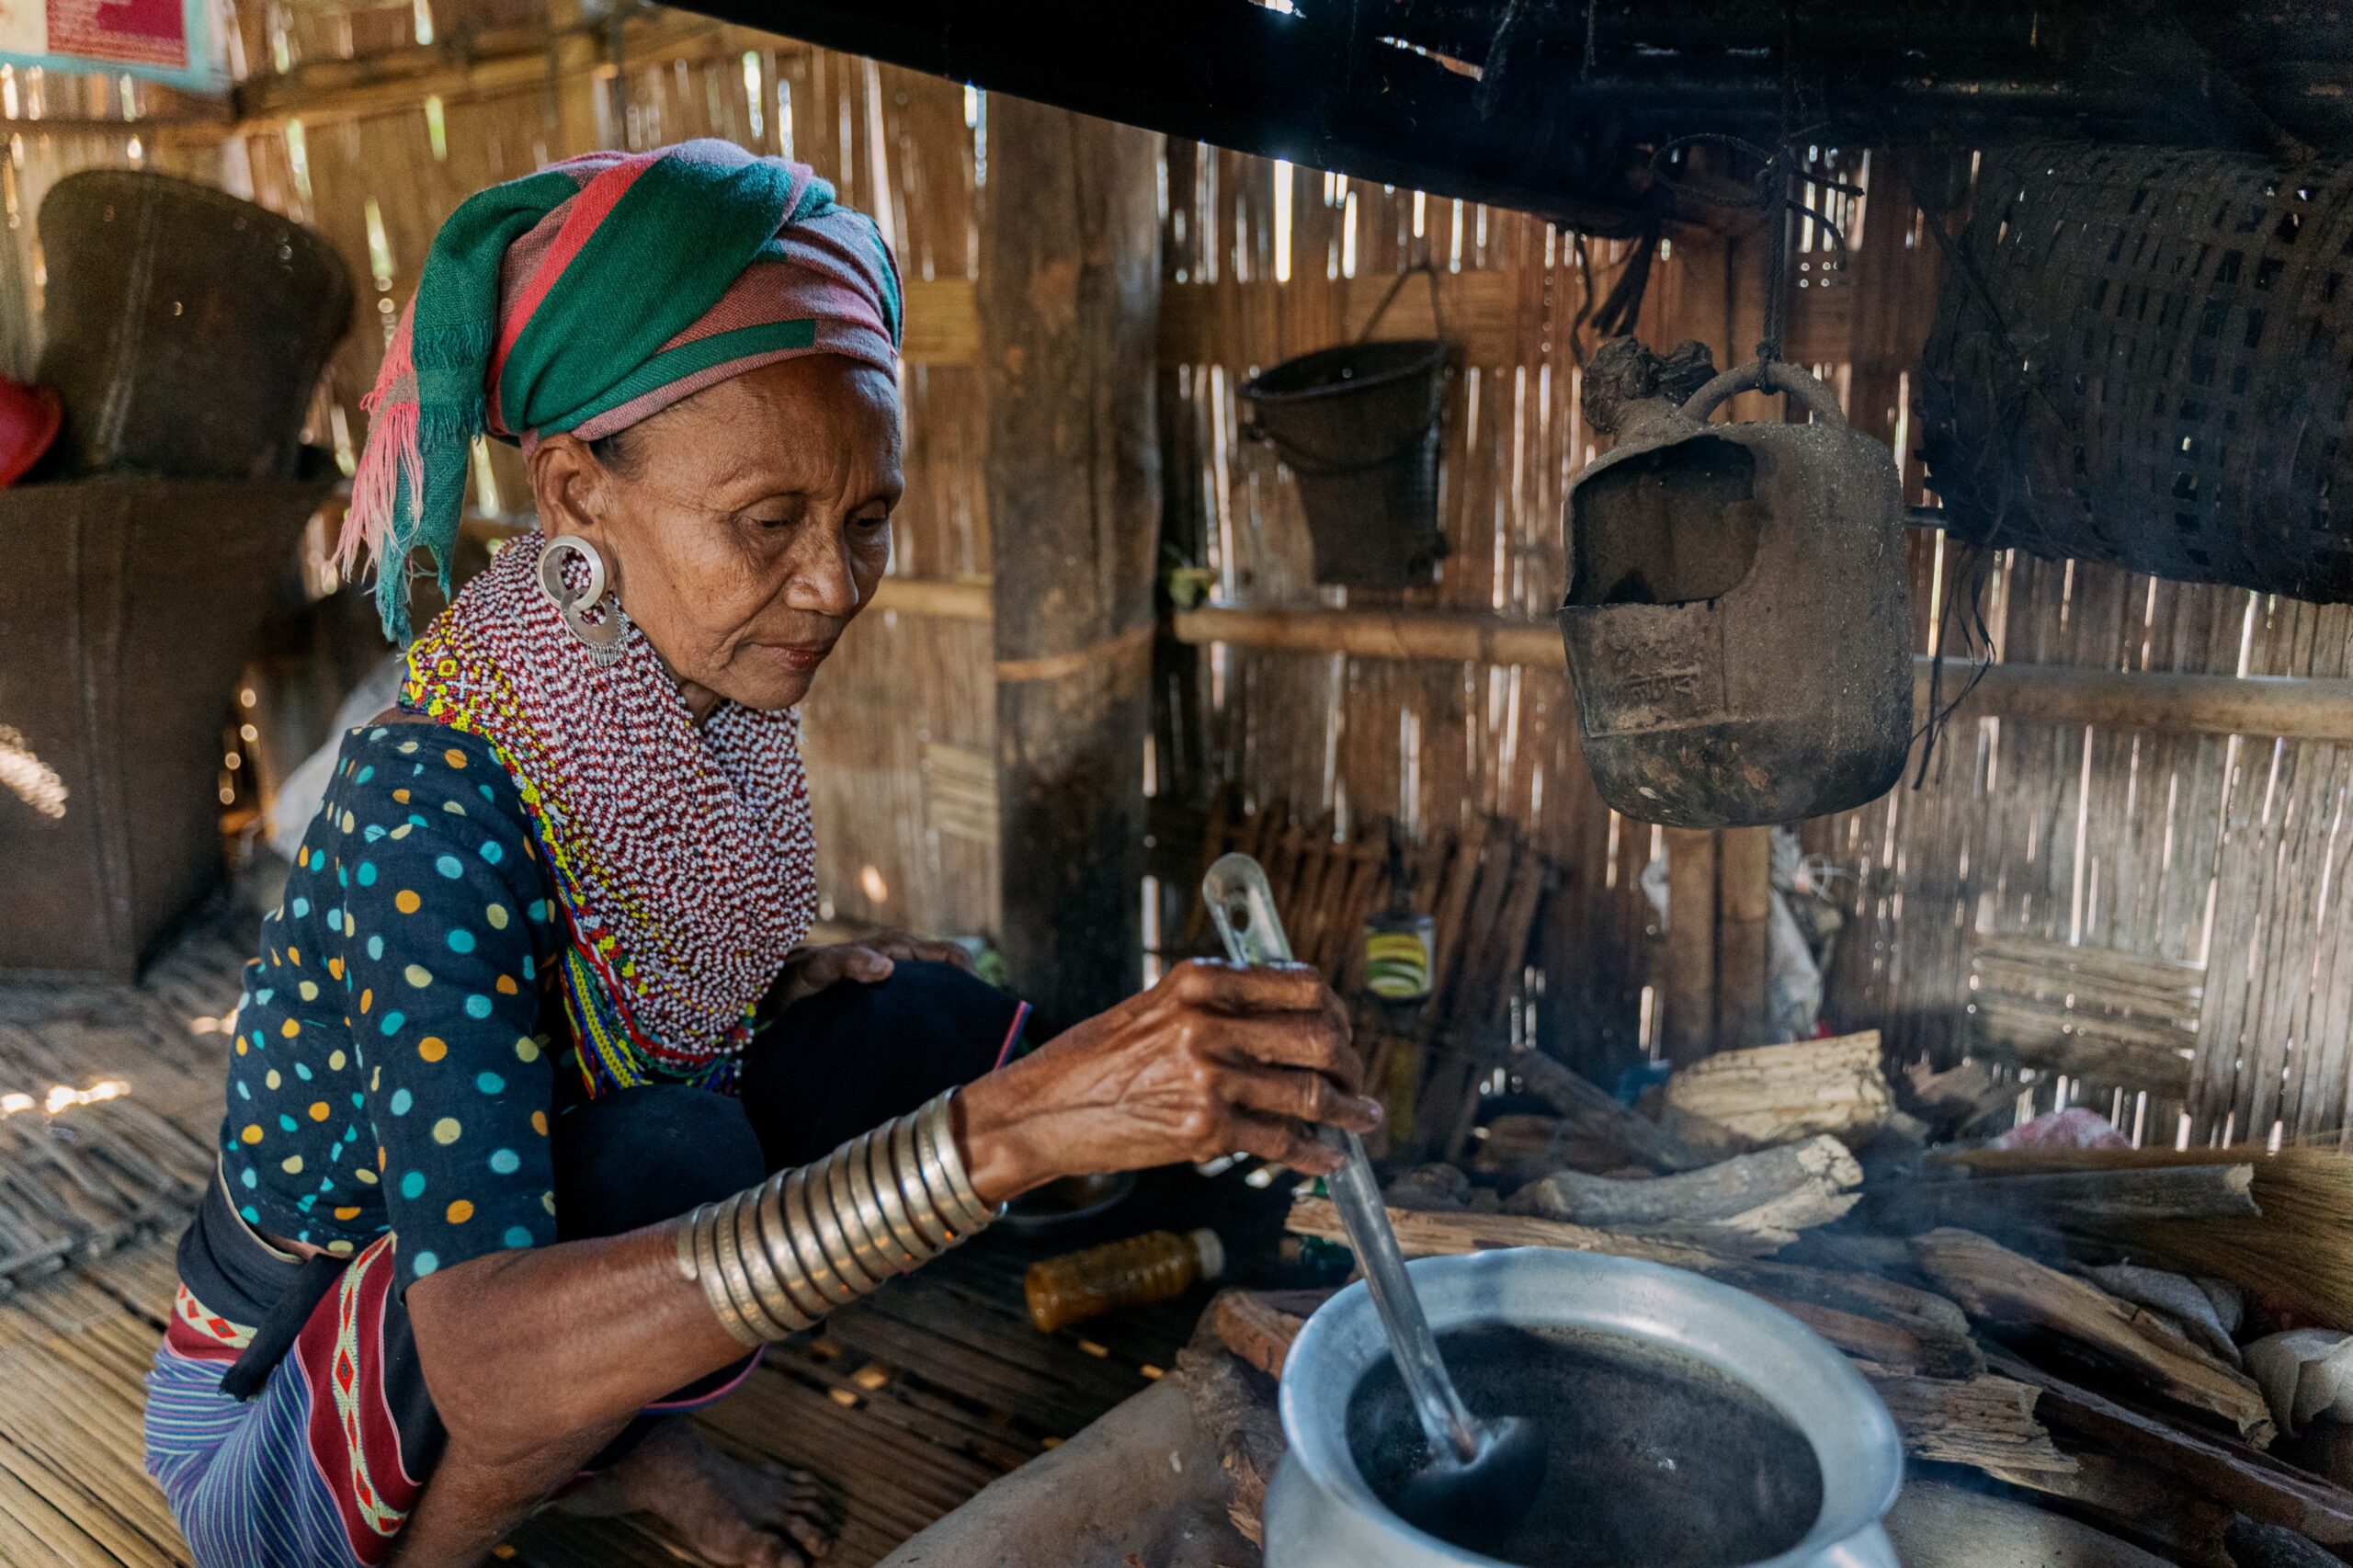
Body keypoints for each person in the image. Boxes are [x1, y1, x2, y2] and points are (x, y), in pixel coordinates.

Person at [143, 140, 1378, 1568]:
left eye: (867, 520)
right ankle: (487, 1522)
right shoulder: (429, 800)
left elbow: (587, 975)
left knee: (913, 1016)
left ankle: (628, 1442)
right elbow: (474, 1347)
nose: (834, 585)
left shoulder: (682, 696)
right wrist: (1015, 1130)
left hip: (504, 1249)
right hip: (296, 1398)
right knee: (677, 1157)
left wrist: (788, 987)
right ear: (573, 493)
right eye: (769, 524)